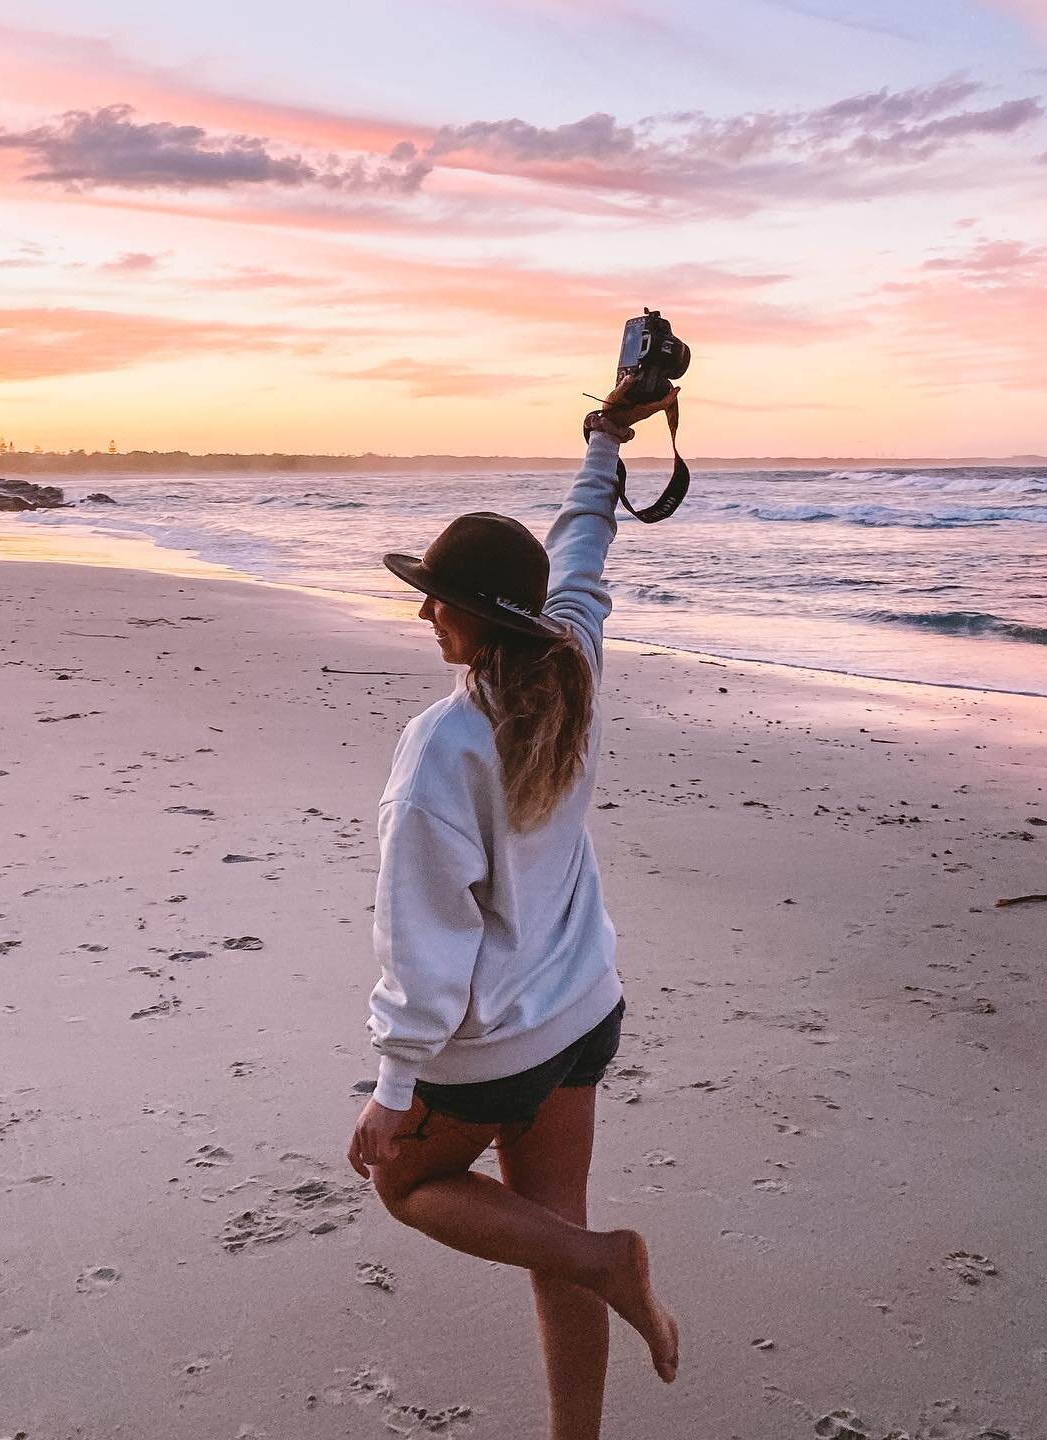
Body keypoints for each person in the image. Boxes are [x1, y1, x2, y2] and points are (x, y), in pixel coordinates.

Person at [348, 375, 684, 1438]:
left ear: (469, 615)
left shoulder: (440, 748)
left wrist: (395, 1085)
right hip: (583, 1008)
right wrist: (603, 441)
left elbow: (425, 935)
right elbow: (583, 550)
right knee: (546, 1234)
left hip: (496, 1045)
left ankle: (610, 1261)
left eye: (436, 596)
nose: (424, 611)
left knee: (403, 1183)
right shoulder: (572, 659)